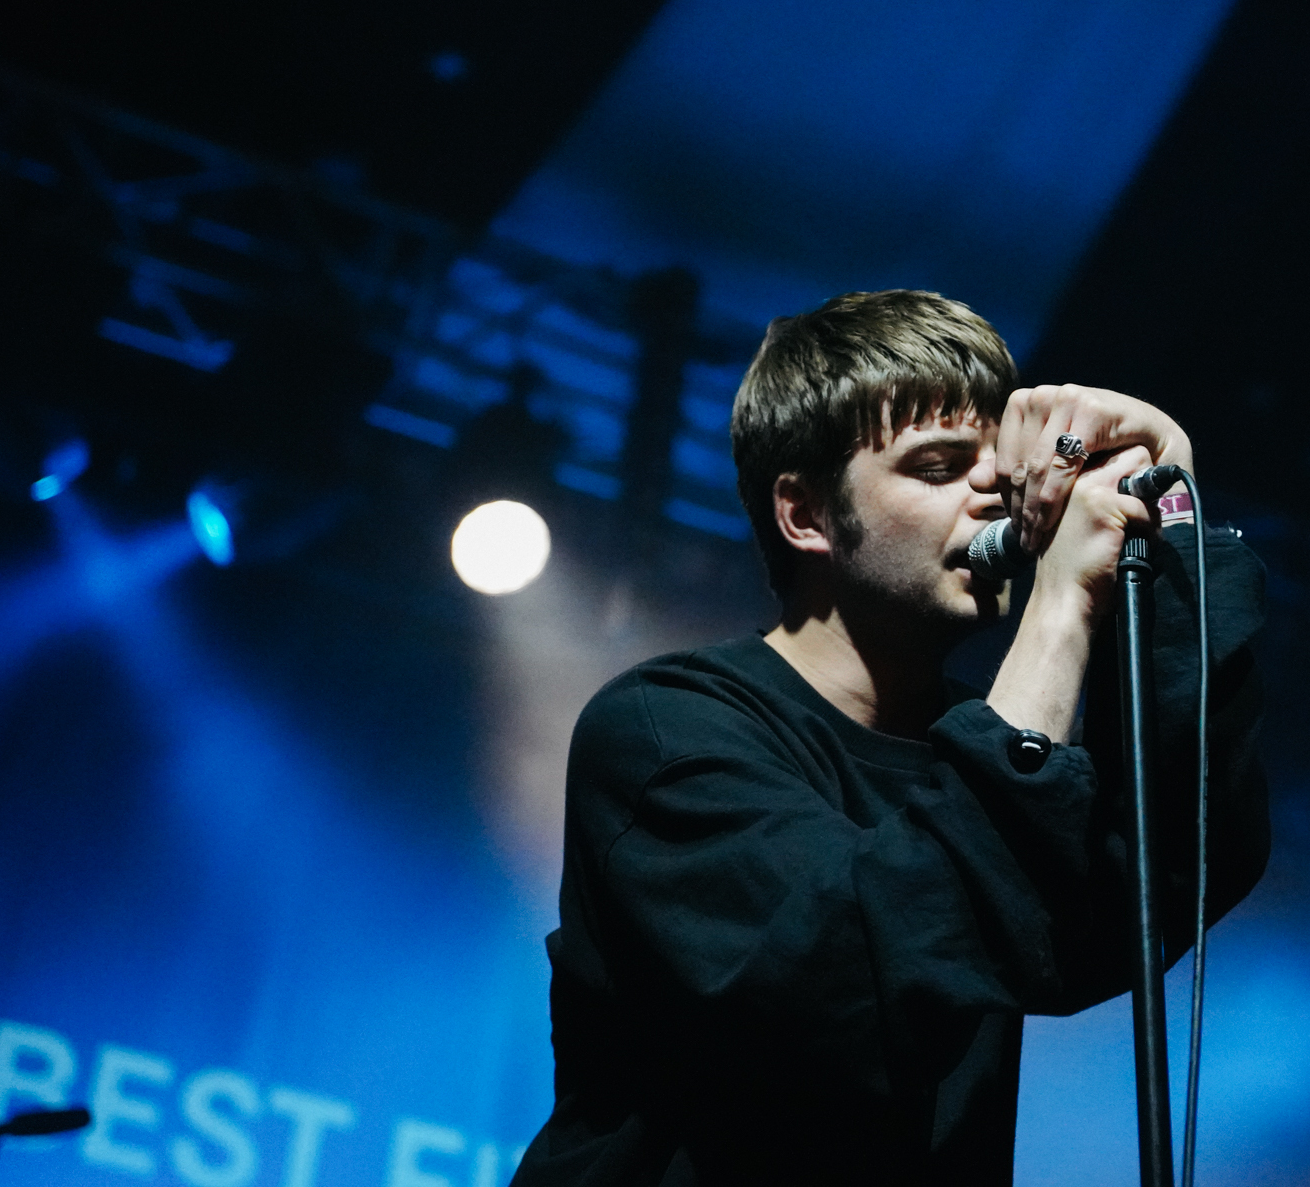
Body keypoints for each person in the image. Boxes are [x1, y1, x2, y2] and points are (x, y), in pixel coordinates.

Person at [513, 290, 1270, 1187]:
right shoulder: (666, 729)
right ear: (806, 514)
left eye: (1001, 462)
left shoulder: (991, 744)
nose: (998, 489)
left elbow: (1174, 861)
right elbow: (850, 981)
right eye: (940, 465)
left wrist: (1174, 499)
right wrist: (1059, 608)